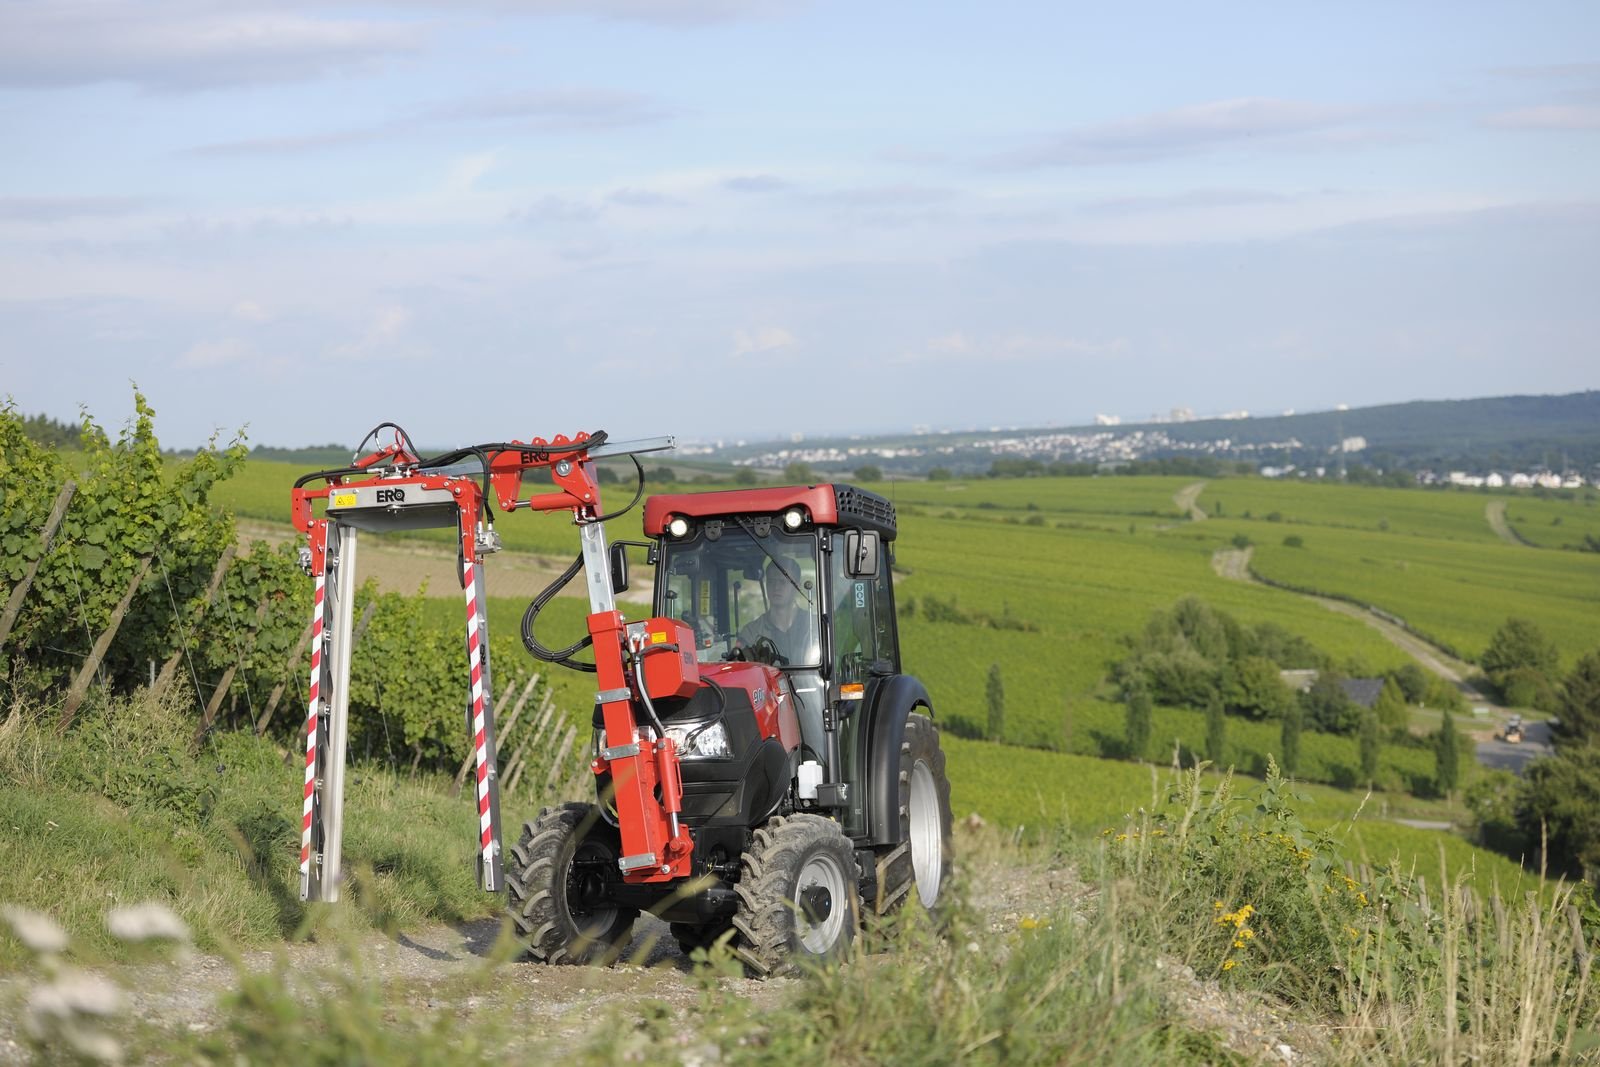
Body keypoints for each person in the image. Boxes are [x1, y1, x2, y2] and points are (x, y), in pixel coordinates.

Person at [737, 557, 816, 665]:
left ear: (797, 586)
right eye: (771, 581)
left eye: (783, 582)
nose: (776, 587)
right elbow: (742, 670)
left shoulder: (815, 626)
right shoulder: (752, 633)